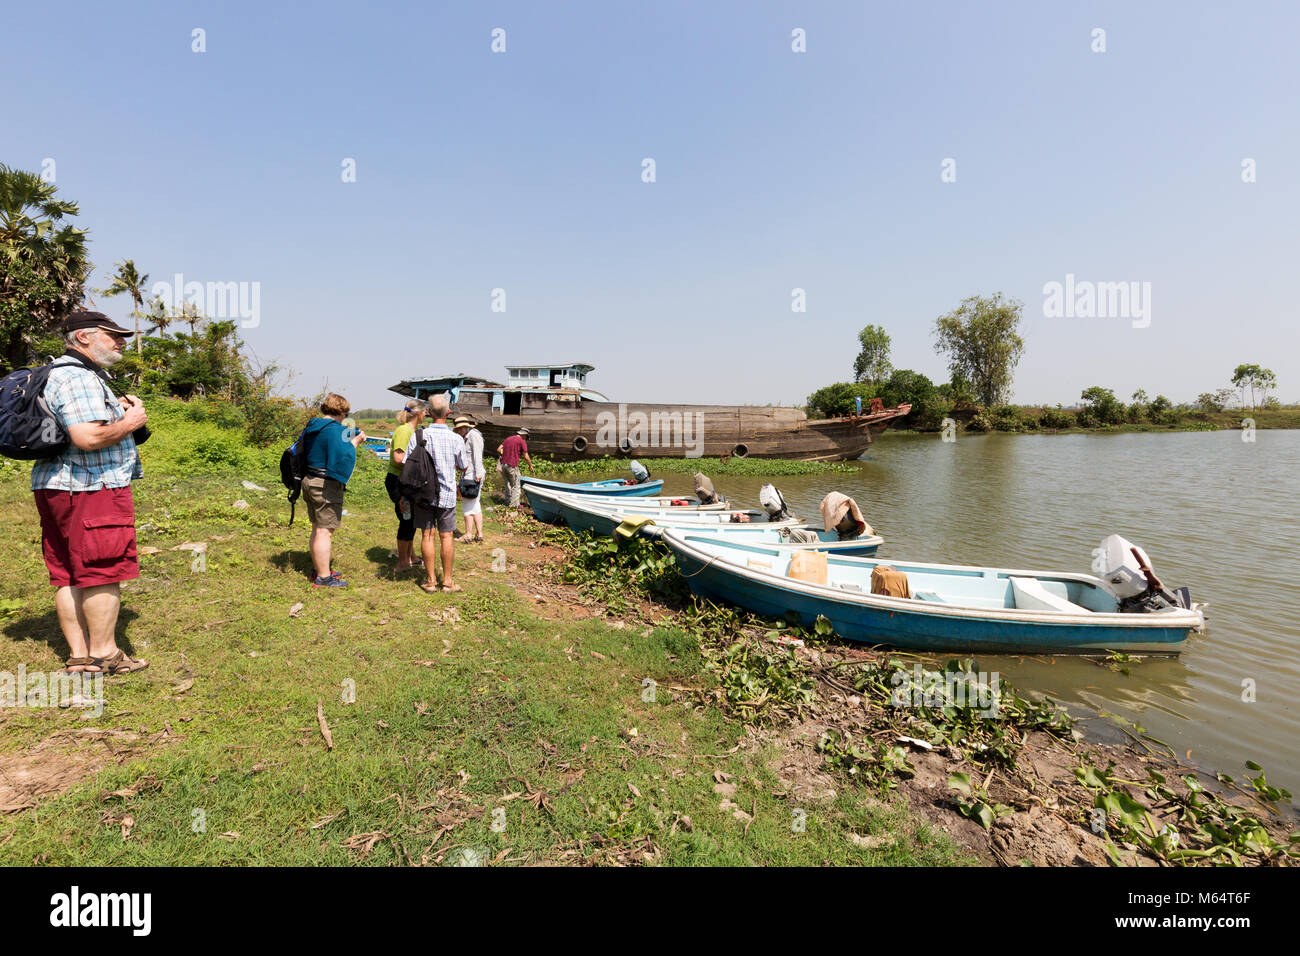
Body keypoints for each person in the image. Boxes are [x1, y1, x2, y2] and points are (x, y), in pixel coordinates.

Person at [31, 312, 149, 676]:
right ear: (83, 337)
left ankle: (81, 656)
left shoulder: (59, 373)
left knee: (67, 572)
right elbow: (87, 437)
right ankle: (104, 654)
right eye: (113, 335)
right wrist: (130, 422)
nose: (122, 342)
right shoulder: (79, 377)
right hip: (91, 485)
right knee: (102, 570)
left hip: (58, 484)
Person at [404, 393, 469, 593]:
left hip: (423, 495)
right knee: (447, 536)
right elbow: (463, 466)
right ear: (448, 413)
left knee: (427, 535)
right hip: (447, 494)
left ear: (429, 412)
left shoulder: (419, 436)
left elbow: (409, 463)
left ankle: (431, 581)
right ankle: (447, 582)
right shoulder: (456, 438)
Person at [301, 393, 366, 587]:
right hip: (325, 485)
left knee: (316, 528)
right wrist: (355, 442)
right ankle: (323, 577)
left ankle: (318, 569)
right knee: (324, 532)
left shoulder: (314, 425)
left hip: (310, 480)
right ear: (341, 411)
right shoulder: (334, 429)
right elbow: (343, 457)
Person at [387, 399, 426, 573]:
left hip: (406, 480)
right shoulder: (404, 431)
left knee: (411, 520)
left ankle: (412, 556)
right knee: (407, 520)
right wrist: (419, 466)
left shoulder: (411, 430)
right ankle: (402, 562)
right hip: (399, 481)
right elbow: (398, 458)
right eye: (425, 412)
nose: (426, 415)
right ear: (418, 413)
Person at [453, 415, 485, 543]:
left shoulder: (473, 436)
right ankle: (479, 534)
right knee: (475, 505)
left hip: (472, 475)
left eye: (461, 428)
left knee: (467, 505)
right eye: (458, 429)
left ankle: (467, 534)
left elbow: (477, 455)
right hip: (472, 474)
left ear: (466, 427)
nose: (460, 431)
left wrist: (477, 473)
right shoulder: (469, 436)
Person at [497, 427, 532, 509]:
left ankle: (507, 502)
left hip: (503, 465)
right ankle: (514, 505)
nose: (526, 439)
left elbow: (499, 449)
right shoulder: (522, 441)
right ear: (524, 435)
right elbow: (526, 456)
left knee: (508, 484)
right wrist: (530, 465)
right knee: (516, 485)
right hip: (512, 465)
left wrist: (505, 454)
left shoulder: (508, 439)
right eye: (526, 437)